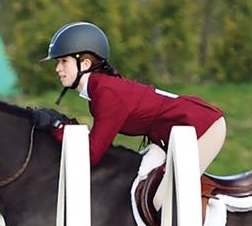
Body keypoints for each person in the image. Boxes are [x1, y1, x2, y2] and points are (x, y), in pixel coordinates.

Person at [33, 21, 226, 208]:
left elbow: (92, 154)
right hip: (174, 136)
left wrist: (57, 127)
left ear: (85, 64)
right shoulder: (100, 89)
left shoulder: (107, 93)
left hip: (203, 128)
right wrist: (64, 125)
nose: (58, 69)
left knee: (160, 200)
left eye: (63, 61)